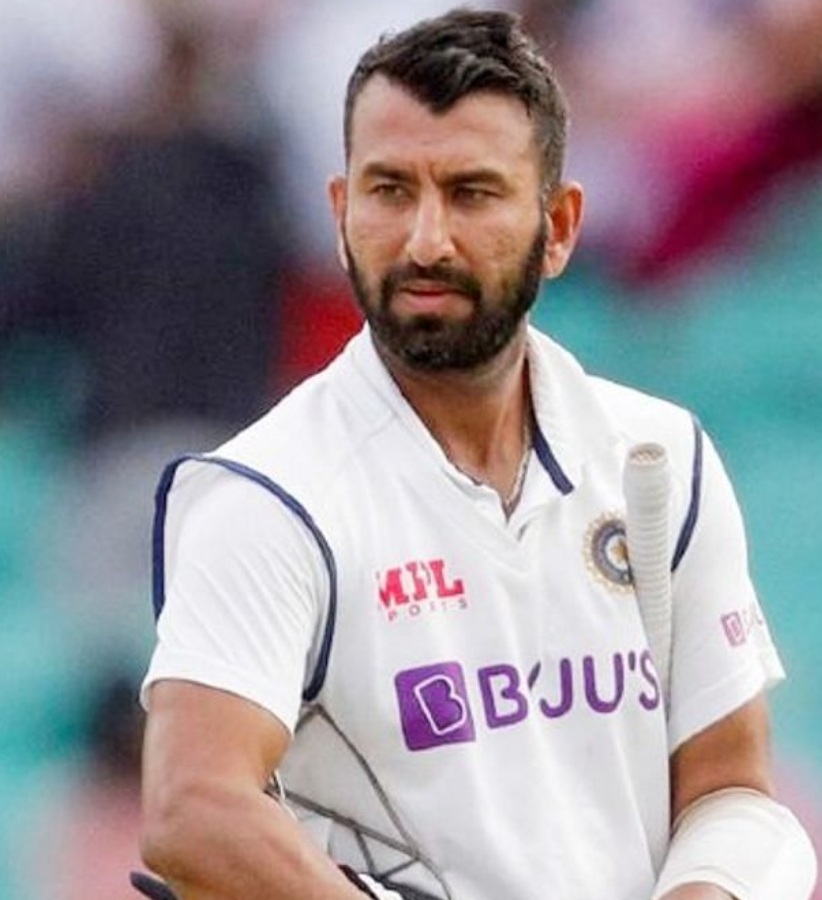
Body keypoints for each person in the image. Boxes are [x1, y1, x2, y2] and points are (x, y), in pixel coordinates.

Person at [137, 9, 816, 900]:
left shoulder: (660, 458)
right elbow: (193, 808)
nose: (426, 240)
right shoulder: (267, 493)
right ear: (341, 216)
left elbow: (734, 791)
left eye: (471, 193)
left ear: (561, 225)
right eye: (390, 191)